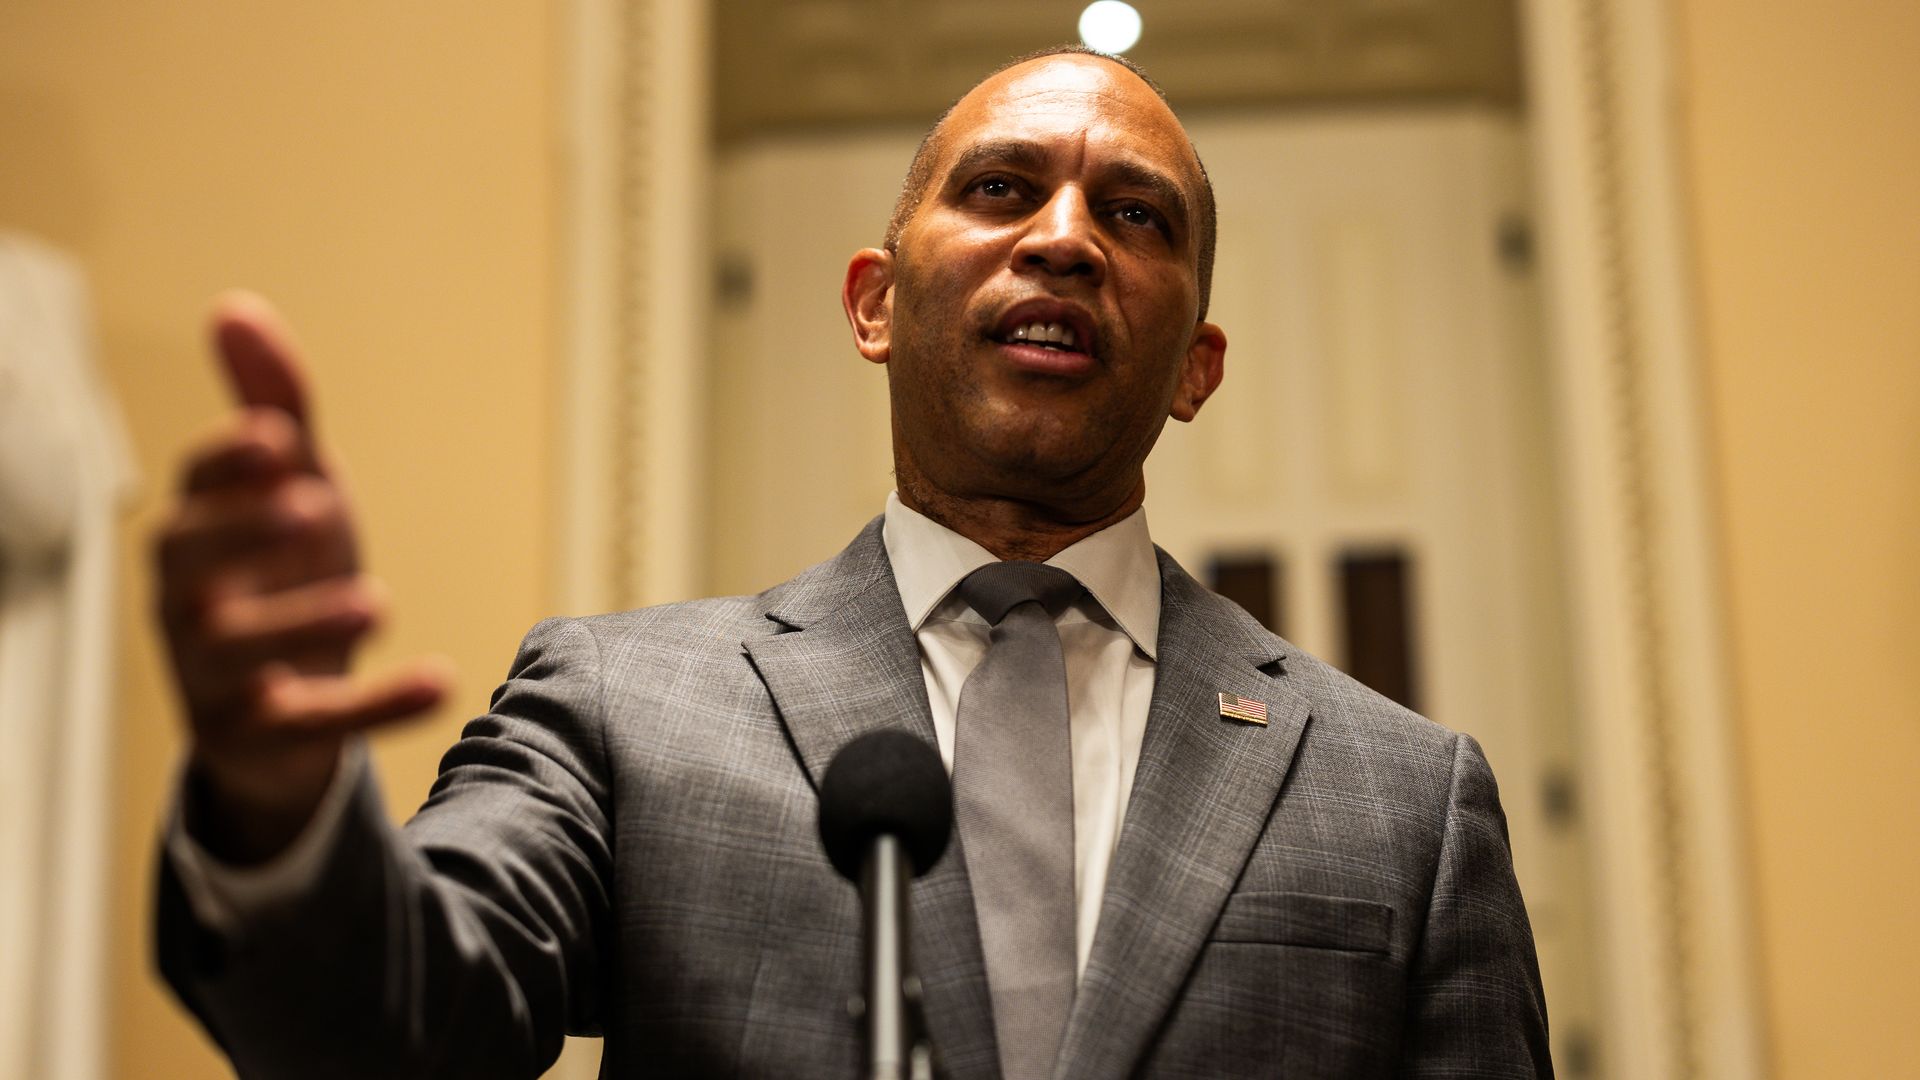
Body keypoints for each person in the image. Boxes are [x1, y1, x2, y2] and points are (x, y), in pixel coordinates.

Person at [155, 46, 1552, 1079]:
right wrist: (278, 815)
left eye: (1134, 216)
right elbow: (404, 1028)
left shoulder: (1406, 801)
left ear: (1198, 367)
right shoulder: (619, 709)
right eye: (1003, 188)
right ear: (876, 306)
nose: (1062, 238)